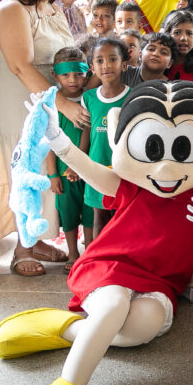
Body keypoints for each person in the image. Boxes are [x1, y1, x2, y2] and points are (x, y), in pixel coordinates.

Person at [0, 81, 193, 385]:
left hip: (160, 282)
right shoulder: (133, 184)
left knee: (141, 328)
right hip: (113, 264)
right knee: (113, 306)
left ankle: (65, 330)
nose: (167, 169)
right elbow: (92, 173)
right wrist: (58, 140)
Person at [0, 0, 79, 276]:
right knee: (26, 170)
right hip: (20, 104)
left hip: (45, 102)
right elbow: (20, 65)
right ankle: (21, 250)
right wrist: (62, 103)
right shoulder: (12, 8)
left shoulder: (51, 9)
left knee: (45, 171)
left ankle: (36, 240)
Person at [79, 37, 130, 238]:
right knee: (98, 217)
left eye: (112, 59)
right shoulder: (89, 98)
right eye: (99, 61)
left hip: (123, 171)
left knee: (122, 217)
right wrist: (80, 161)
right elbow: (86, 130)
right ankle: (93, 265)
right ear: (92, 67)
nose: (106, 65)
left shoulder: (132, 97)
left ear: (124, 64)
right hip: (96, 167)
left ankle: (121, 264)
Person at [46, 47, 92, 271]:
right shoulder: (52, 104)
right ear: (55, 76)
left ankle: (91, 251)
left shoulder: (89, 99)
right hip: (64, 172)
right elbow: (48, 145)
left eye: (78, 74)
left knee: (91, 209)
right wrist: (53, 174)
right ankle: (73, 253)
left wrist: (79, 164)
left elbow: (86, 130)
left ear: (88, 73)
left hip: (89, 168)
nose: (73, 80)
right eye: (65, 75)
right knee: (68, 212)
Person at [162, 10, 193, 81]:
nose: (183, 38)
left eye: (189, 33)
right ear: (168, 34)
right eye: (177, 33)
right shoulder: (160, 62)